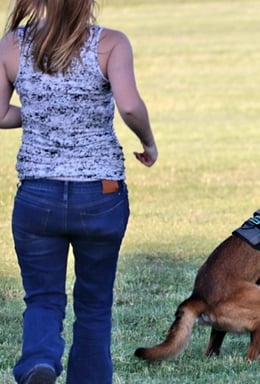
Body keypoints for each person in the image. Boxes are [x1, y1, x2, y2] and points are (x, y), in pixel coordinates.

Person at [0, 0, 158, 382]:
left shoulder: (11, 45)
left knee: (42, 296)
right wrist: (148, 143)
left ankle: (39, 362)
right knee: (94, 302)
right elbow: (130, 106)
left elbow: (0, 115)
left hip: (38, 195)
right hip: (100, 195)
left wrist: (41, 112)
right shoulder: (111, 43)